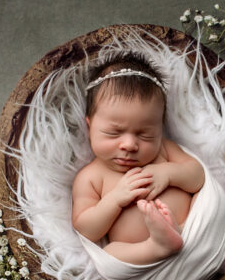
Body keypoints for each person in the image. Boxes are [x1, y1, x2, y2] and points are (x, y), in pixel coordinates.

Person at [72, 56, 205, 265]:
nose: (129, 145)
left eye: (145, 135)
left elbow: (198, 176)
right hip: (142, 259)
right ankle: (157, 247)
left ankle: (174, 233)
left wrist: (169, 174)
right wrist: (115, 199)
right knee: (109, 254)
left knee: (208, 198)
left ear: (160, 129)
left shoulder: (164, 149)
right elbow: (86, 230)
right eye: (113, 133)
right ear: (89, 127)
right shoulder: (91, 177)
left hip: (195, 234)